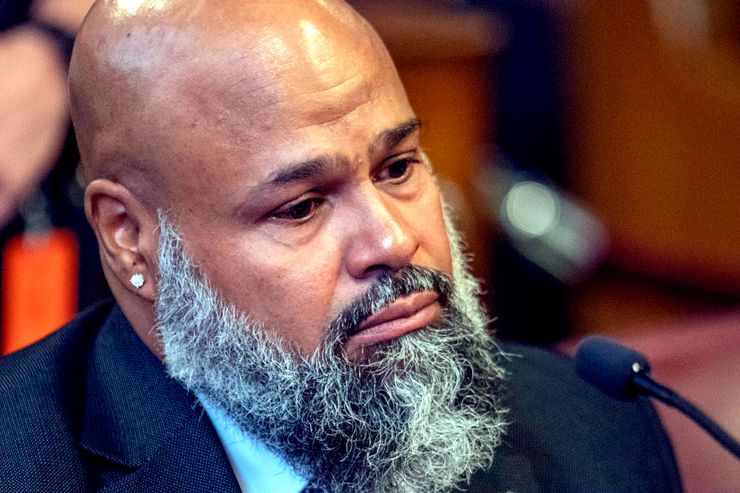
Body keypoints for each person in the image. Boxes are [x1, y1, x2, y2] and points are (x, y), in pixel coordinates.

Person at [0, 1, 682, 492]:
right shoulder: (24, 459)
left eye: (399, 167)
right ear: (130, 237)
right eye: (300, 206)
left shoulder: (590, 428)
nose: (392, 238)